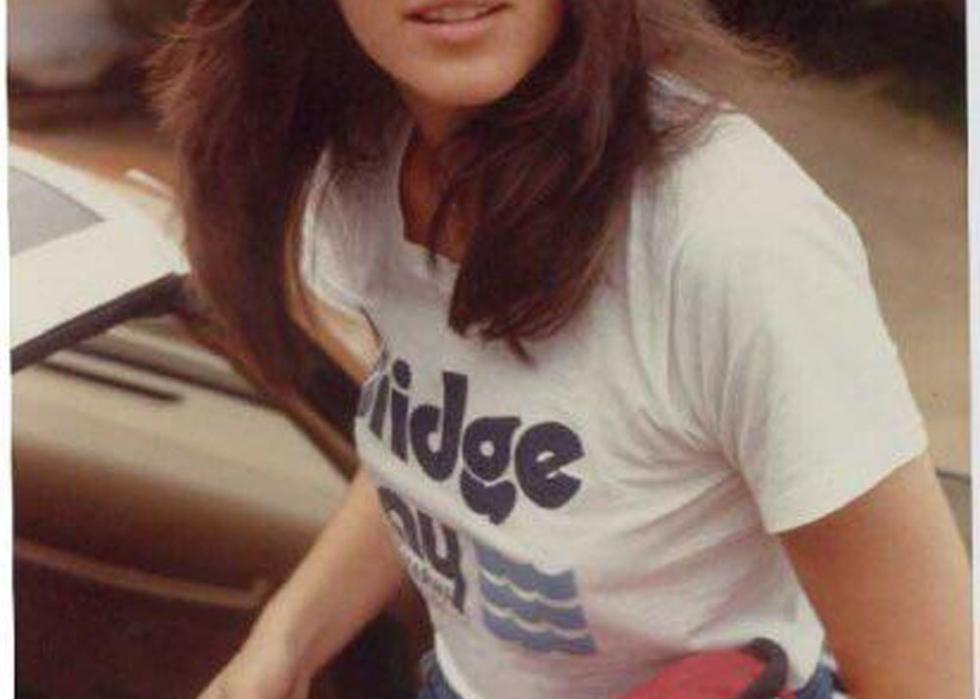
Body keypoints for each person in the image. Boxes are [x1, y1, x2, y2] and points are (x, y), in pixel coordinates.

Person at [152, 1, 970, 698]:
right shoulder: (355, 175)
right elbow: (464, 464)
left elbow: (930, 676)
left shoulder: (733, 239)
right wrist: (284, 639)